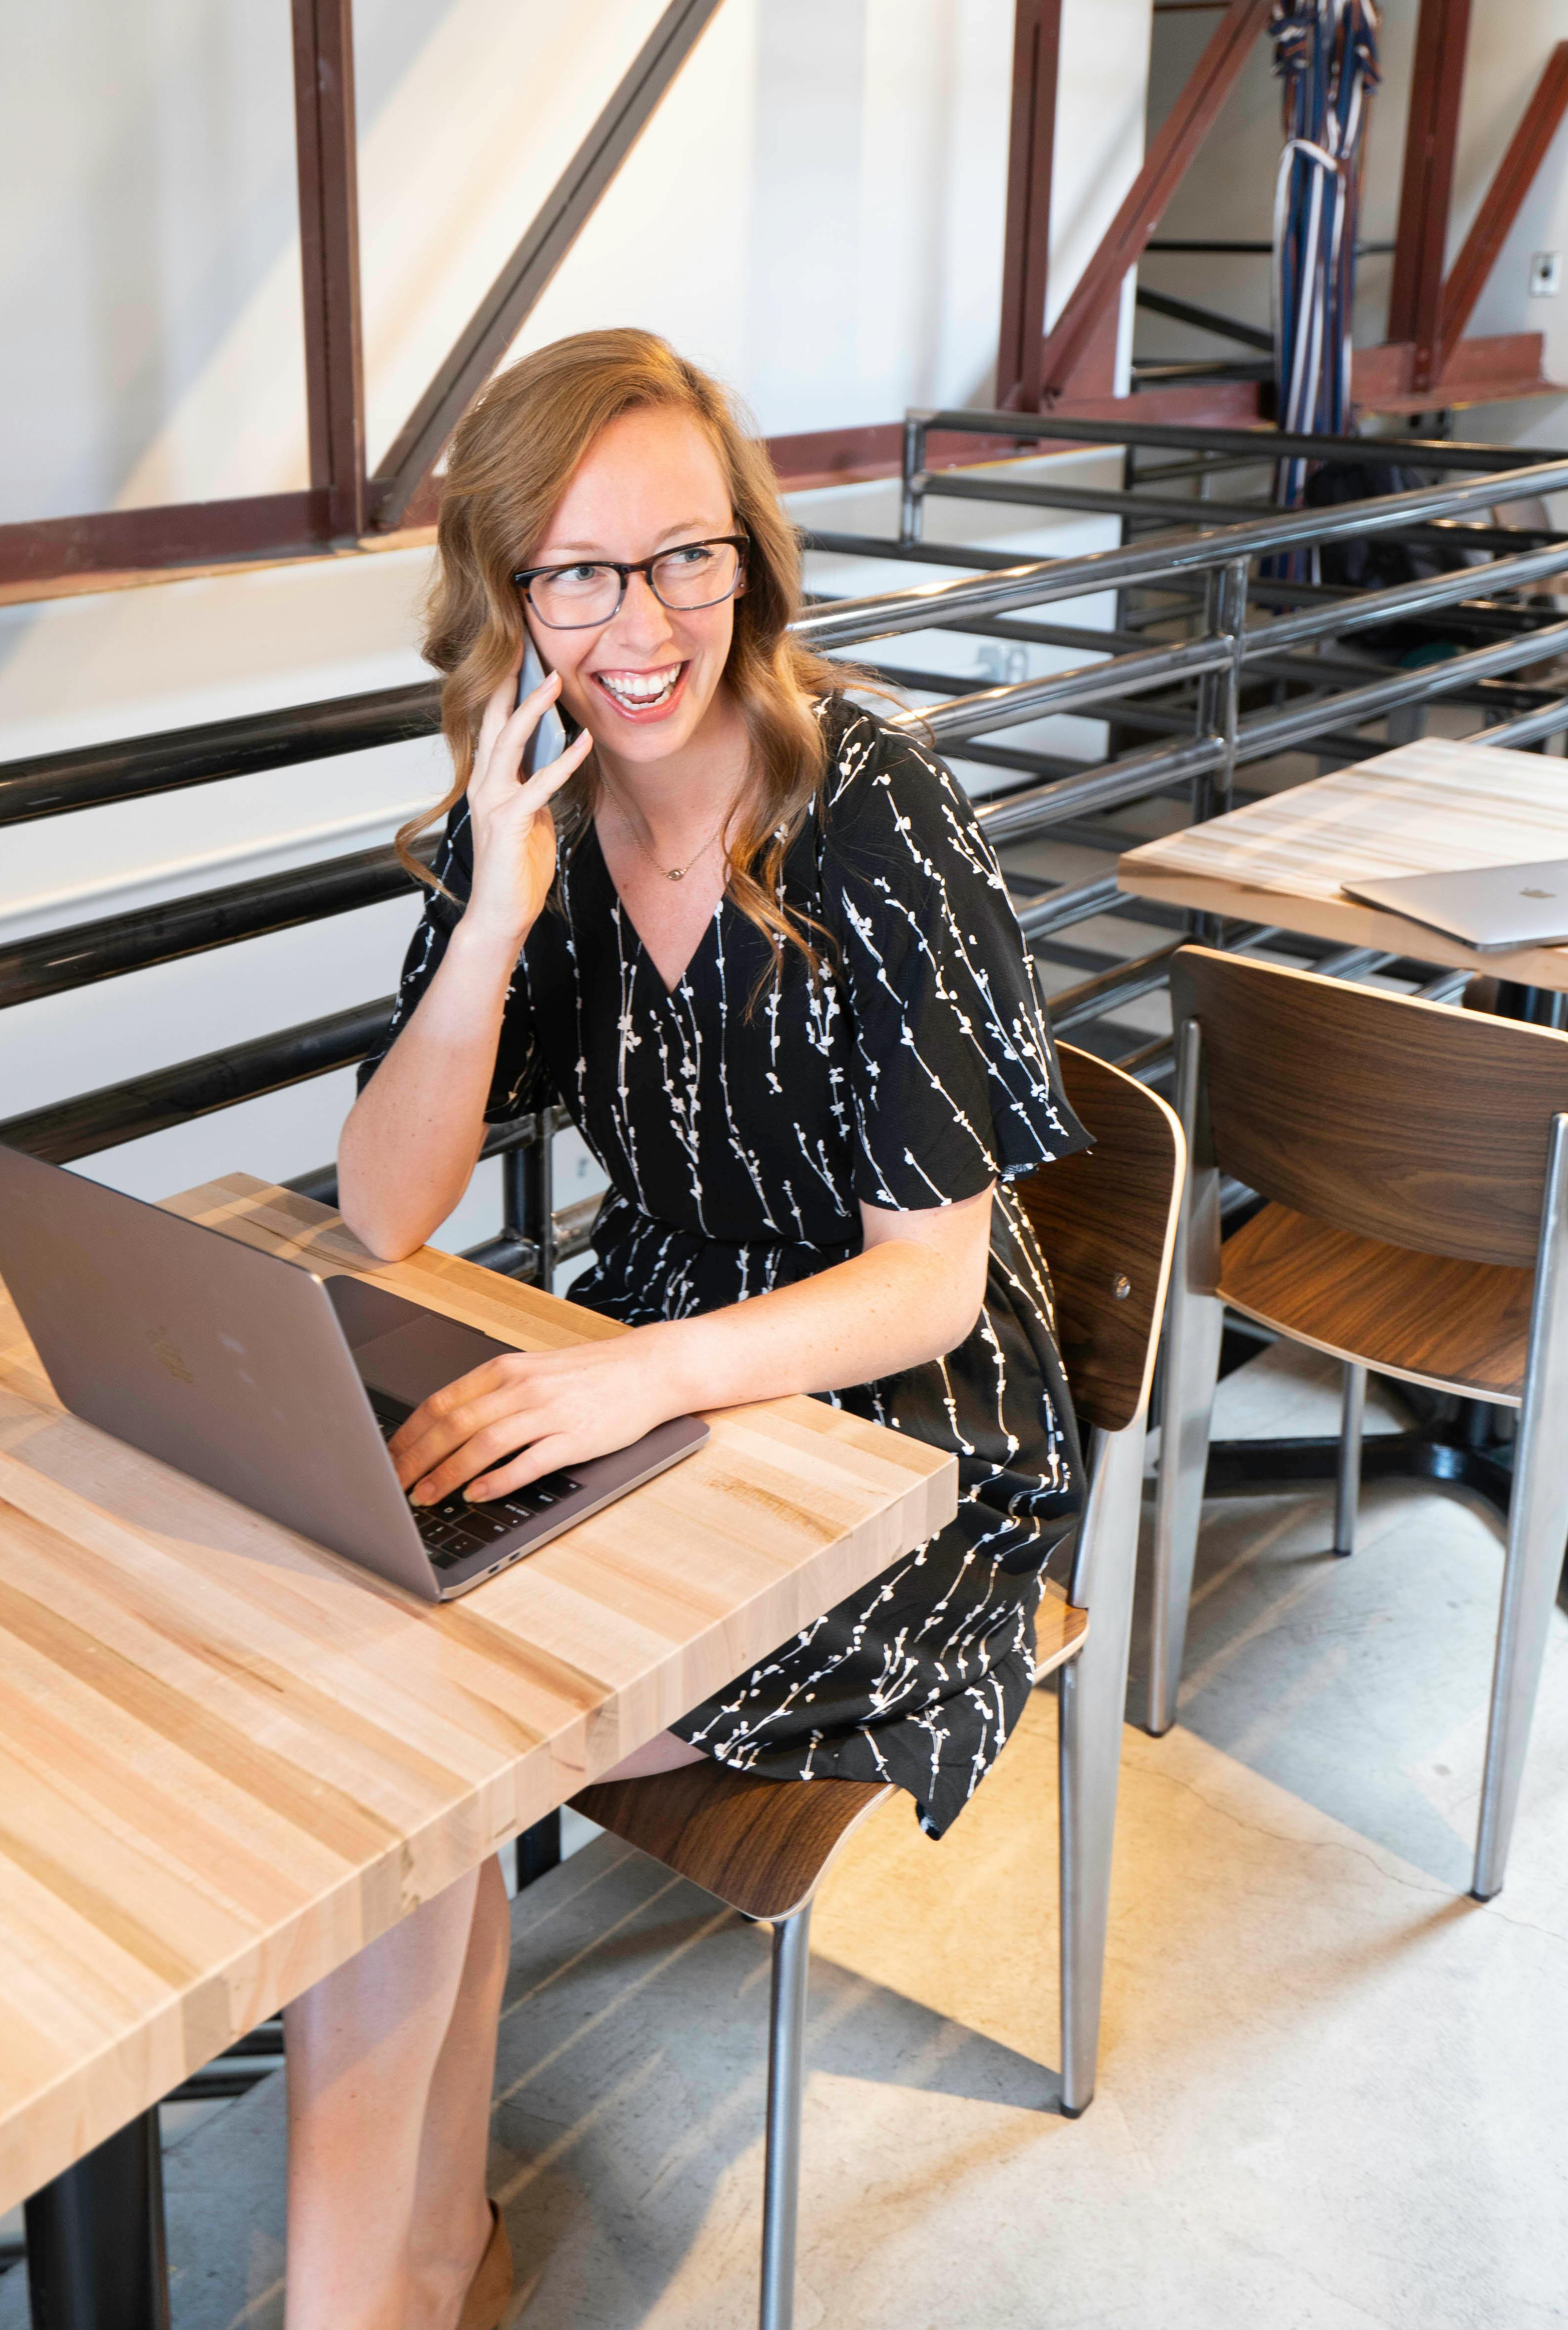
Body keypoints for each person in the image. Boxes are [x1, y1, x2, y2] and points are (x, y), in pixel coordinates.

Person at [289, 329, 1090, 2330]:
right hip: (659, 1375)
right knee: (400, 1726)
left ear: (749, 561)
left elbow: (924, 1281)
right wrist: (490, 907)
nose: (640, 624)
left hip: (908, 1436)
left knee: (413, 1749)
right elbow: (382, 1203)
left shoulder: (878, 809)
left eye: (684, 559)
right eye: (576, 572)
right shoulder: (539, 814)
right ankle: (396, 2272)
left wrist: (626, 1369)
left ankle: (384, 2288)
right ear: (506, 595)